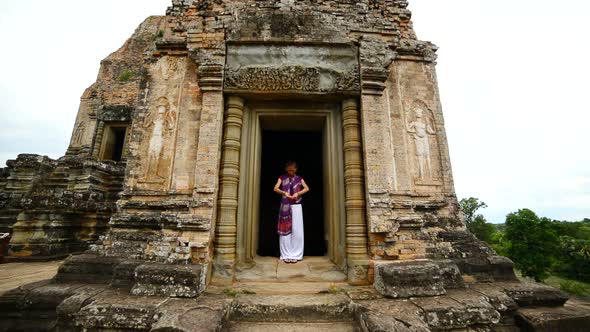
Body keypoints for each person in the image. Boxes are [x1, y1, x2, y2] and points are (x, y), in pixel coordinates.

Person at [273, 161, 310, 263]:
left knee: (297, 231)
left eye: (292, 170)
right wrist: (284, 192)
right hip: (285, 206)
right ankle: (286, 254)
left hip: (296, 206)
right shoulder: (282, 178)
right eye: (289, 170)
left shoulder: (299, 178)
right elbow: (275, 188)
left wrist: (298, 193)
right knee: (285, 232)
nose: (290, 172)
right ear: (286, 169)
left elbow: (307, 188)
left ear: (296, 169)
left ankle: (296, 254)